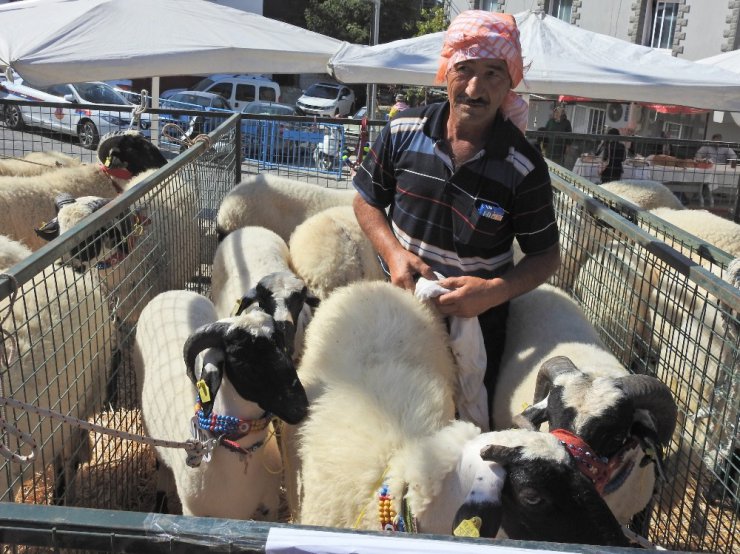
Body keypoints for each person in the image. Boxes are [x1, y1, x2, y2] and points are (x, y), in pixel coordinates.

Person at [352, 10, 560, 430]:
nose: (475, 88)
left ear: (510, 82)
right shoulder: (403, 131)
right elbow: (366, 199)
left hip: (479, 328)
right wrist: (394, 254)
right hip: (400, 311)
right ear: (446, 69)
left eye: (493, 73)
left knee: (466, 435)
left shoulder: (524, 166)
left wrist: (493, 291)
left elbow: (545, 255)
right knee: (390, 422)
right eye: (464, 69)